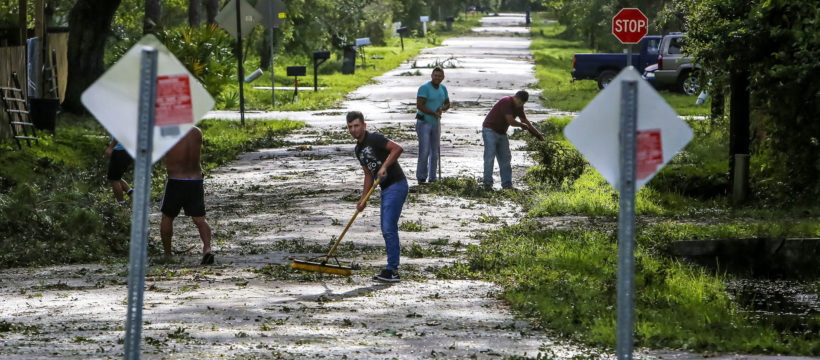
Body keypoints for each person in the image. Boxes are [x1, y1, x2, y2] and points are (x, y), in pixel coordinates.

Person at [346, 111, 409, 282]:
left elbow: (397, 148)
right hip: (385, 188)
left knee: (388, 227)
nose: (354, 130)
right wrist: (363, 199)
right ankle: (391, 268)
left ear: (364, 126)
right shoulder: (358, 150)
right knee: (386, 228)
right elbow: (368, 175)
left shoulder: (374, 138)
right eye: (350, 127)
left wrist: (385, 166)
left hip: (397, 184)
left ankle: (392, 270)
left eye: (357, 126)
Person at [160, 126, 213, 265]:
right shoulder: (196, 132)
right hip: (195, 180)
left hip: (176, 181)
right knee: (200, 219)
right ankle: (207, 248)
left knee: (167, 217)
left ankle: (167, 254)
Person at [481, 90, 542, 190]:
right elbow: (511, 121)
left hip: (502, 133)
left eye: (522, 104)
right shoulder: (506, 101)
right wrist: (521, 125)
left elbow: (525, 121)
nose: (520, 105)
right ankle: (487, 184)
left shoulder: (519, 106)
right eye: (519, 103)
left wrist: (538, 135)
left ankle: (507, 185)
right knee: (489, 156)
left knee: (505, 159)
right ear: (516, 98)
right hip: (490, 130)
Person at [415, 67, 450, 184]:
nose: (437, 78)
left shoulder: (443, 88)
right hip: (424, 122)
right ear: (431, 76)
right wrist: (433, 113)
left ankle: (433, 177)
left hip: (436, 122)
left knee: (435, 151)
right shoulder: (424, 88)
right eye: (435, 76)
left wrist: (442, 108)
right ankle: (421, 177)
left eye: (440, 76)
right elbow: (420, 105)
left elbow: (447, 103)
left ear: (443, 77)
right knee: (424, 150)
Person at [104, 137, 133, 205]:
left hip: (119, 151)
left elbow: (118, 134)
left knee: (114, 180)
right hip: (126, 150)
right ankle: (133, 195)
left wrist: (111, 147)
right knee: (116, 178)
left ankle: (121, 205)